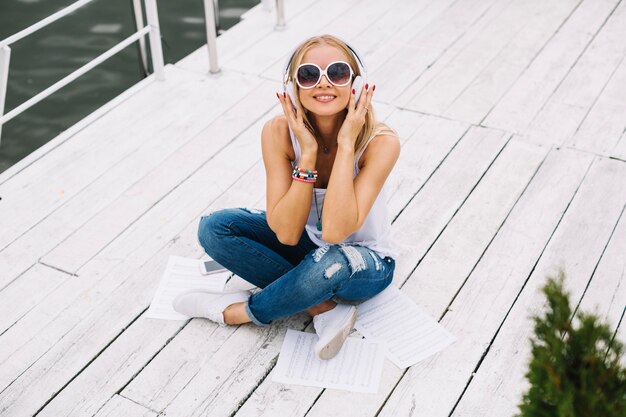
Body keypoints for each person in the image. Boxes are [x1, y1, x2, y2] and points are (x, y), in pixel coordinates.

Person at [173, 34, 401, 360]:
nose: (323, 84)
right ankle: (322, 307)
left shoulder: (381, 143)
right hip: (309, 246)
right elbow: (287, 233)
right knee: (215, 228)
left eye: (337, 72)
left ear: (356, 84)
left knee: (331, 261)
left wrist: (346, 143)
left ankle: (238, 312)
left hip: (363, 262)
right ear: (295, 87)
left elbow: (336, 233)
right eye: (309, 75)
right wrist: (306, 153)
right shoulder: (277, 132)